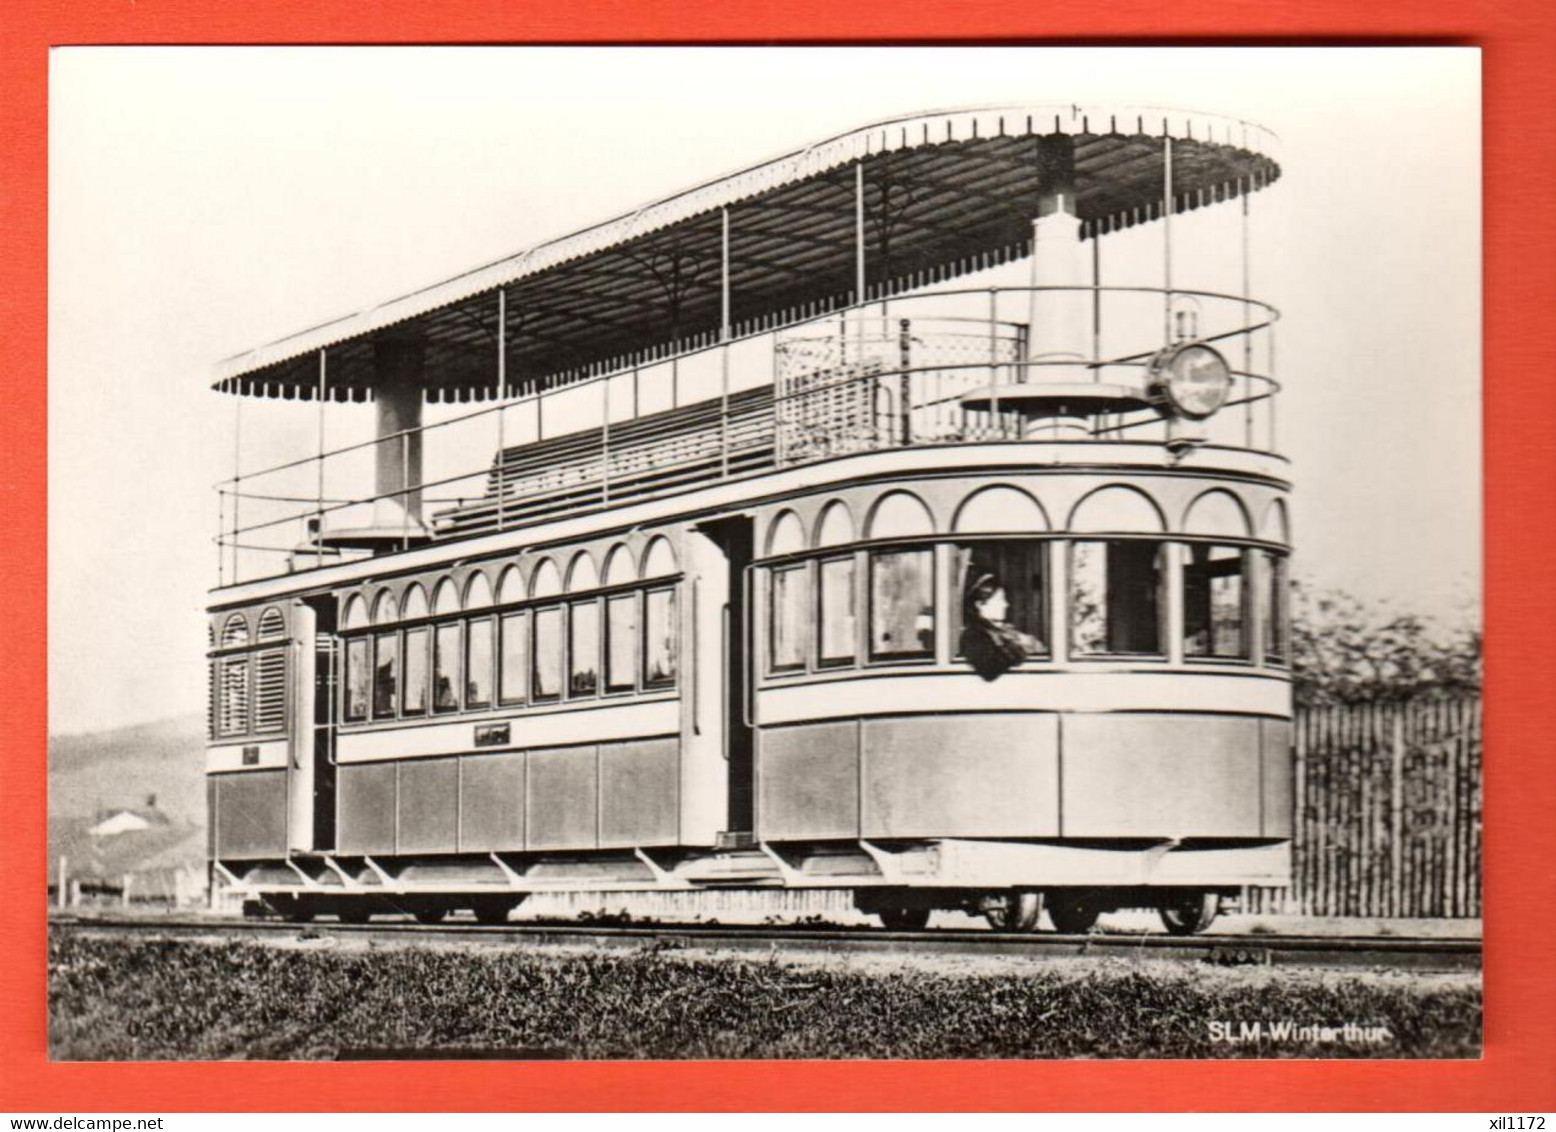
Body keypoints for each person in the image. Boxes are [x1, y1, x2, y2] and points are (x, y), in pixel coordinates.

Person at [960, 570, 1042, 681]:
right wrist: (1023, 648)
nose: (1006, 605)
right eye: (999, 600)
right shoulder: (973, 636)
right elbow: (989, 671)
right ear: (980, 605)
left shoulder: (1001, 630)